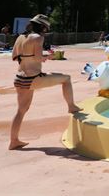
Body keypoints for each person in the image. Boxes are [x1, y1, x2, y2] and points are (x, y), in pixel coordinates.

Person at [9, 14, 82, 150]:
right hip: (33, 79)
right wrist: (49, 56)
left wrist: (33, 57)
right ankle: (71, 106)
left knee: (21, 111)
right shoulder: (38, 38)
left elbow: (14, 57)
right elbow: (37, 58)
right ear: (43, 27)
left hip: (19, 78)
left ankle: (14, 141)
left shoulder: (21, 37)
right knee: (66, 79)